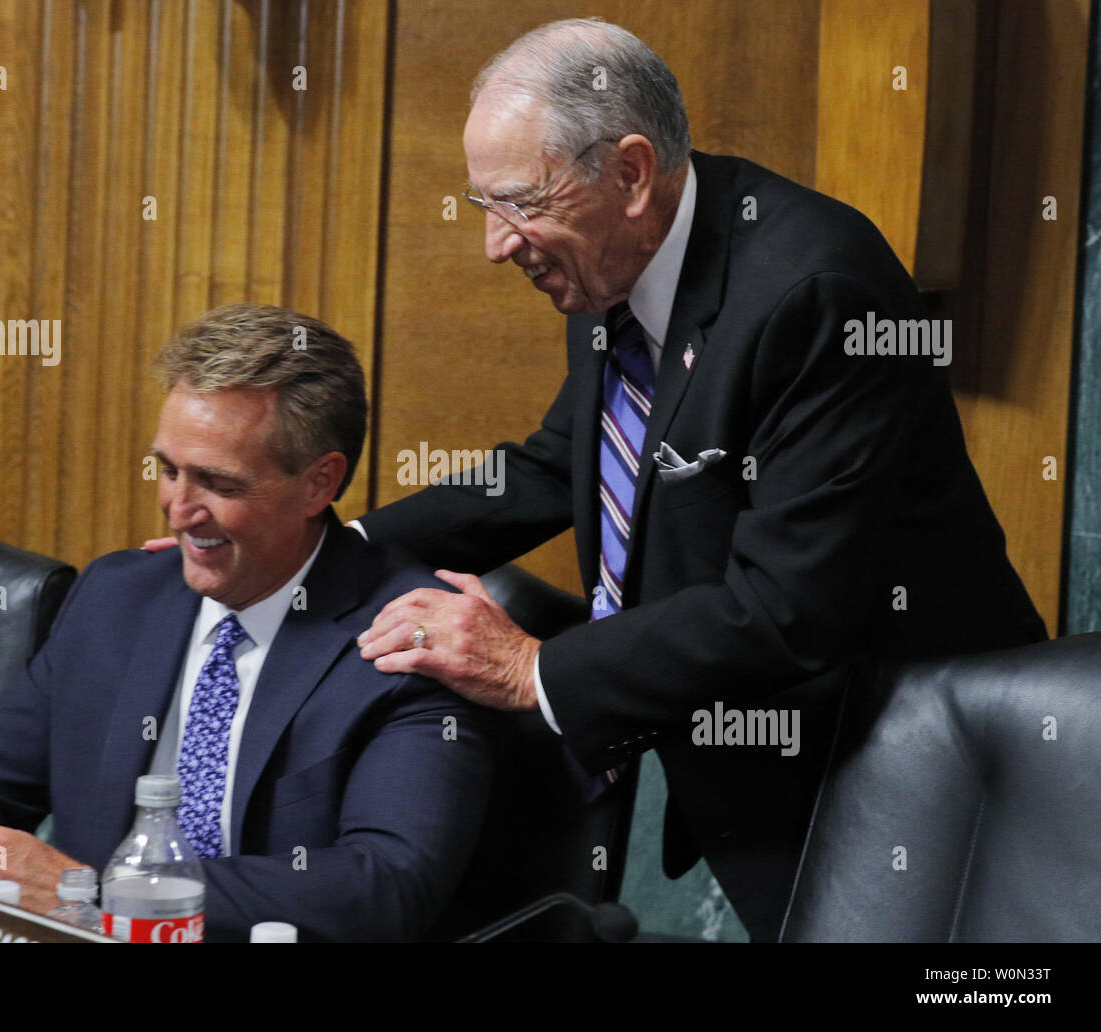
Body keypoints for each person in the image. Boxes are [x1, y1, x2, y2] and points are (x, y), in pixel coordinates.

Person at [351, 18, 1046, 941]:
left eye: (517, 202)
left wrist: (533, 666)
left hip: (898, 778)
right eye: (481, 202)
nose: (494, 243)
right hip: (756, 765)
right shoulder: (609, 264)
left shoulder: (815, 290)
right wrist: (333, 547)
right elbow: (559, 461)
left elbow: (786, 608)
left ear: (631, 174)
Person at [0, 303, 494, 942]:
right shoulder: (118, 597)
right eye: (167, 469)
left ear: (319, 483)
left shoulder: (416, 635)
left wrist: (107, 894)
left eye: (217, 482)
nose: (179, 510)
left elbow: (386, 886)